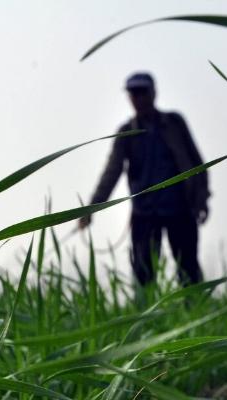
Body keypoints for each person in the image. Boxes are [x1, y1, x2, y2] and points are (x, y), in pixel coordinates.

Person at [78, 72, 209, 287]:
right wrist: (91, 208)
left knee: (189, 270)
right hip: (145, 213)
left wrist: (202, 199)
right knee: (143, 275)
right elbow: (111, 173)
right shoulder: (126, 133)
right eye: (133, 93)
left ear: (153, 93)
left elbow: (197, 164)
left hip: (181, 209)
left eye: (142, 92)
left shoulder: (174, 123)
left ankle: (198, 313)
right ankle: (146, 318)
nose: (138, 98)